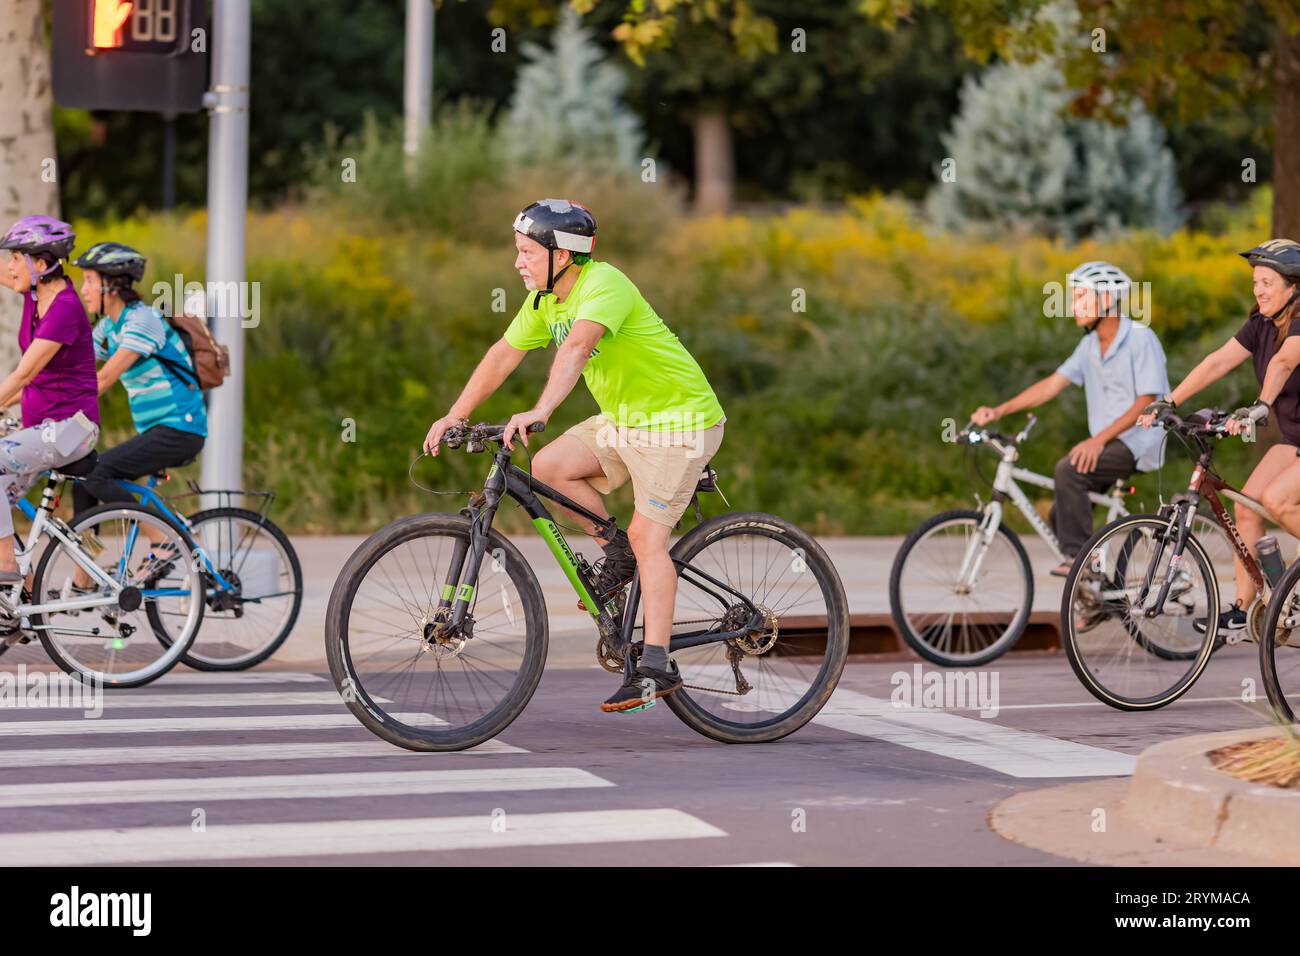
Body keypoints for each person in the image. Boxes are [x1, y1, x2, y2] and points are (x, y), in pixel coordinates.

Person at [422, 199, 726, 713]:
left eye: (526, 252)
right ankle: (618, 553)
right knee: (549, 467)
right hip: (625, 421)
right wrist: (456, 414)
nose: (517, 262)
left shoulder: (605, 284)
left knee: (649, 539)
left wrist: (541, 410)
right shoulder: (545, 301)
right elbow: (504, 354)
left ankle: (655, 666)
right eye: (516, 251)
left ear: (561, 255)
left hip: (681, 425)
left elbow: (578, 348)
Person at [1139, 238, 1300, 634]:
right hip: (1296, 440)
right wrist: (1169, 400)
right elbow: (1218, 362)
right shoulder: (1261, 325)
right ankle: (1246, 610)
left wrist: (1261, 405)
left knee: (1277, 500)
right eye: (1255, 282)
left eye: (1267, 282)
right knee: (1246, 508)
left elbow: (1284, 362)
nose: (1258, 290)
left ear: (1293, 286)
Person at [971, 261, 1171, 576]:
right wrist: (999, 410)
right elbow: (1052, 384)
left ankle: (1081, 563)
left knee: (1069, 470)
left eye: (1081, 297)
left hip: (1140, 441)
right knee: (1060, 516)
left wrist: (1097, 441)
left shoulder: (1140, 338)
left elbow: (1147, 402)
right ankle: (1097, 589)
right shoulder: (1089, 345)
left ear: (1107, 300)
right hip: (1109, 442)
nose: (1073, 306)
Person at [71, 242, 207, 541]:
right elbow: (72, 372)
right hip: (157, 430)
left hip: (180, 429)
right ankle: (84, 565)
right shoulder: (109, 328)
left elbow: (104, 378)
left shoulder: (143, 320)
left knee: (96, 474)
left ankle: (161, 540)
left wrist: (57, 413)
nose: (83, 290)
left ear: (112, 286)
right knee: (82, 481)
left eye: (90, 281)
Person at [0, 216, 100, 591]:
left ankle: (7, 563)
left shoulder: (64, 309)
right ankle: (23, 597)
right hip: (45, 430)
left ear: (40, 264)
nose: (10, 266)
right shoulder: (36, 296)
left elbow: (24, 374)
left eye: (16, 258)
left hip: (72, 430)